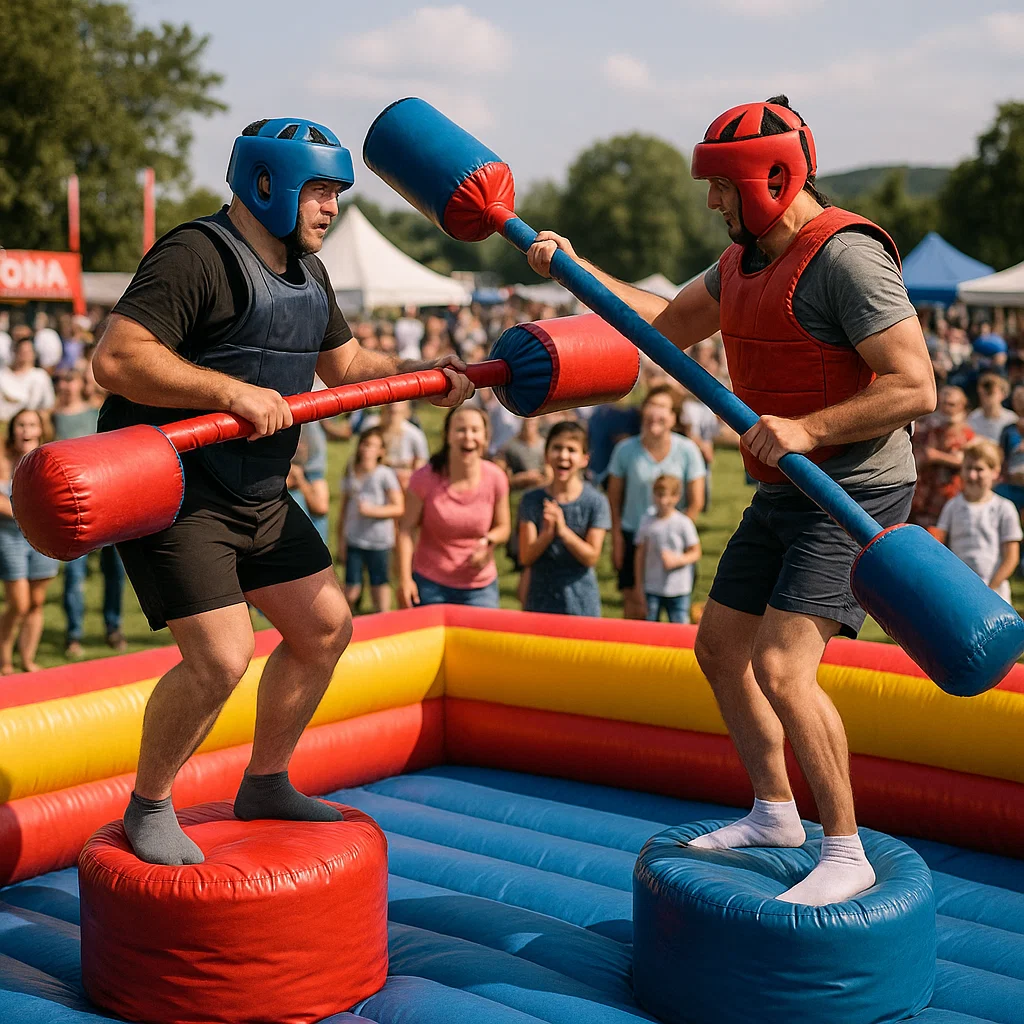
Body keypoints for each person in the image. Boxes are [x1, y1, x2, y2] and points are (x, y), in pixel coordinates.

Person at [528, 95, 935, 905]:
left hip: (855, 490)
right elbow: (660, 326)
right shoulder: (740, 263)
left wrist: (809, 427)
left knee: (784, 667)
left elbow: (915, 384)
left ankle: (844, 849)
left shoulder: (847, 259)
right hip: (789, 485)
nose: (712, 202)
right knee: (718, 648)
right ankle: (775, 811)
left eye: (721, 186)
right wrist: (574, 269)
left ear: (771, 179)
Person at [91, 117, 473, 866]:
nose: (331, 208)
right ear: (267, 184)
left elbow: (346, 363)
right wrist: (227, 391)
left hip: (261, 494)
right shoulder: (195, 254)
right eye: (321, 191)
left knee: (327, 628)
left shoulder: (309, 270)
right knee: (221, 658)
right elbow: (116, 358)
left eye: (336, 193)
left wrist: (425, 376)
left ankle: (265, 781)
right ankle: (149, 805)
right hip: (179, 495)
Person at [607, 386, 706, 618]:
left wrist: (677, 532)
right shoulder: (624, 451)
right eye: (651, 406)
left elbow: (696, 501)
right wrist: (617, 540)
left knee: (676, 606)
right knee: (636, 605)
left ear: (673, 417)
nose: (655, 414)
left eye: (662, 408)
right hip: (634, 535)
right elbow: (614, 500)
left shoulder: (688, 451)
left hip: (673, 543)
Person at [398, 406, 510, 609]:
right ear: (447, 436)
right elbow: (406, 529)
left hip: (479, 587)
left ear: (485, 438)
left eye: (475, 430)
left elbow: (504, 527)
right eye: (460, 430)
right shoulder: (424, 478)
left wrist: (488, 541)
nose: (468, 437)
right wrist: (405, 580)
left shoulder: (496, 478)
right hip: (430, 584)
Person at [52, 367, 126, 658]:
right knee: (74, 575)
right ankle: (74, 634)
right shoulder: (50, 418)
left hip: (107, 504)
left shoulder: (98, 411)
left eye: (71, 379)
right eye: (62, 379)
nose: (67, 384)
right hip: (73, 512)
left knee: (115, 572)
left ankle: (113, 627)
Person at [517, 421, 610, 617]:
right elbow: (526, 556)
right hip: (540, 603)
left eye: (571, 450)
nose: (563, 456)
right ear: (546, 455)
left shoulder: (596, 501)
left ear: (585, 459)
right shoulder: (531, 500)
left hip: (581, 604)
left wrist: (563, 530)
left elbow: (591, 556)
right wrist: (547, 534)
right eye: (557, 448)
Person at [0, 409, 60, 673]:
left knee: (36, 602)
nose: (26, 430)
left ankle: (27, 659)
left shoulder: (50, 459)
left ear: (40, 429)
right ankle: (4, 660)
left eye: (32, 425)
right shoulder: (2, 459)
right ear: (13, 429)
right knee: (19, 603)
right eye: (21, 425)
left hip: (42, 537)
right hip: (10, 537)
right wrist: (28, 512)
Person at [935, 439, 1021, 604]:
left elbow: (1011, 557)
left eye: (979, 469)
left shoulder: (1004, 508)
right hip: (960, 592)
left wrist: (989, 589)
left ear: (995, 472)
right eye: (968, 469)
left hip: (996, 595)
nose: (972, 475)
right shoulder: (953, 506)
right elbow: (939, 545)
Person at [337, 427, 403, 614]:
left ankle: (383, 621)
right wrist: (341, 539)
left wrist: (373, 511)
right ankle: (349, 623)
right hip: (355, 539)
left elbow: (399, 507)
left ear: (381, 451)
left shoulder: (385, 474)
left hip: (379, 541)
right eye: (365, 444)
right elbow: (343, 508)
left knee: (379, 585)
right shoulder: (351, 470)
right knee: (351, 589)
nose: (368, 450)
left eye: (373, 446)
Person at [634, 474, 701, 624]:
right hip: (652, 586)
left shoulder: (683, 523)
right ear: (653, 495)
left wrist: (678, 560)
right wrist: (639, 586)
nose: (663, 501)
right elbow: (640, 554)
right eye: (659, 495)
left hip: (679, 588)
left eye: (668, 496)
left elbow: (696, 552)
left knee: (679, 628)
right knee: (650, 628)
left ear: (677, 497)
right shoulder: (647, 521)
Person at [910, 386, 974, 528]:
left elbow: (968, 460)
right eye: (942, 403)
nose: (945, 408)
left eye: (951, 404)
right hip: (923, 493)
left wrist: (936, 456)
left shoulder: (966, 432)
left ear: (961, 405)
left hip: (949, 494)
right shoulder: (926, 428)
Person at [286, 422, 330, 543]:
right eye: (297, 443)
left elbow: (321, 508)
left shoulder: (315, 477)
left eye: (304, 444)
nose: (300, 447)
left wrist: (300, 480)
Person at [0, 335, 55, 424]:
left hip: (29, 426)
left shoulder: (40, 376)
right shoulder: (2, 375)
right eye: (22, 351)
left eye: (28, 351)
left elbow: (48, 406)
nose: (25, 354)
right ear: (15, 352)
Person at [966, 372, 1015, 442]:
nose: (986, 397)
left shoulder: (1011, 419)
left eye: (991, 393)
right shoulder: (973, 418)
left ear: (1003, 394)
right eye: (983, 393)